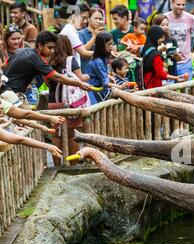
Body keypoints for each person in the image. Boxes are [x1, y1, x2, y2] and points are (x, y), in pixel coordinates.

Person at [2, 30, 91, 113]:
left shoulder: (22, 51)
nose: (52, 51)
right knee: (28, 121)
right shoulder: (36, 59)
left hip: (5, 91)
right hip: (13, 94)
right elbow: (57, 77)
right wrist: (79, 83)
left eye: (53, 48)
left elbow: (3, 66)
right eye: (49, 47)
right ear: (40, 46)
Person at [48, 35, 89, 166]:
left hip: (53, 101)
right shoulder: (71, 60)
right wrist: (86, 77)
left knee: (55, 134)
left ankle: (56, 165)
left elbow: (48, 82)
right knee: (72, 134)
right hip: (71, 103)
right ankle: (73, 165)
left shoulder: (49, 62)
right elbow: (80, 80)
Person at [164, 0, 194, 80]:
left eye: (183, 5)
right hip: (168, 61)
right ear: (172, 3)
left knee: (186, 88)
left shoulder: (190, 18)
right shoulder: (165, 18)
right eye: (178, 4)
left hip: (185, 62)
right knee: (169, 90)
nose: (181, 7)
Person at [86, 32, 128, 104]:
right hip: (93, 92)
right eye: (109, 44)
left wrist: (108, 76)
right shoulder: (98, 61)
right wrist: (120, 87)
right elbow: (105, 83)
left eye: (112, 43)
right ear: (101, 46)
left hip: (97, 91)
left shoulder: (103, 58)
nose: (111, 46)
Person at [78, 7, 107, 73]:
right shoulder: (81, 34)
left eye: (100, 19)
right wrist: (94, 37)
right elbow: (82, 52)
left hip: (101, 72)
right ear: (88, 19)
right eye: (95, 18)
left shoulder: (103, 33)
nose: (98, 21)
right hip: (86, 72)